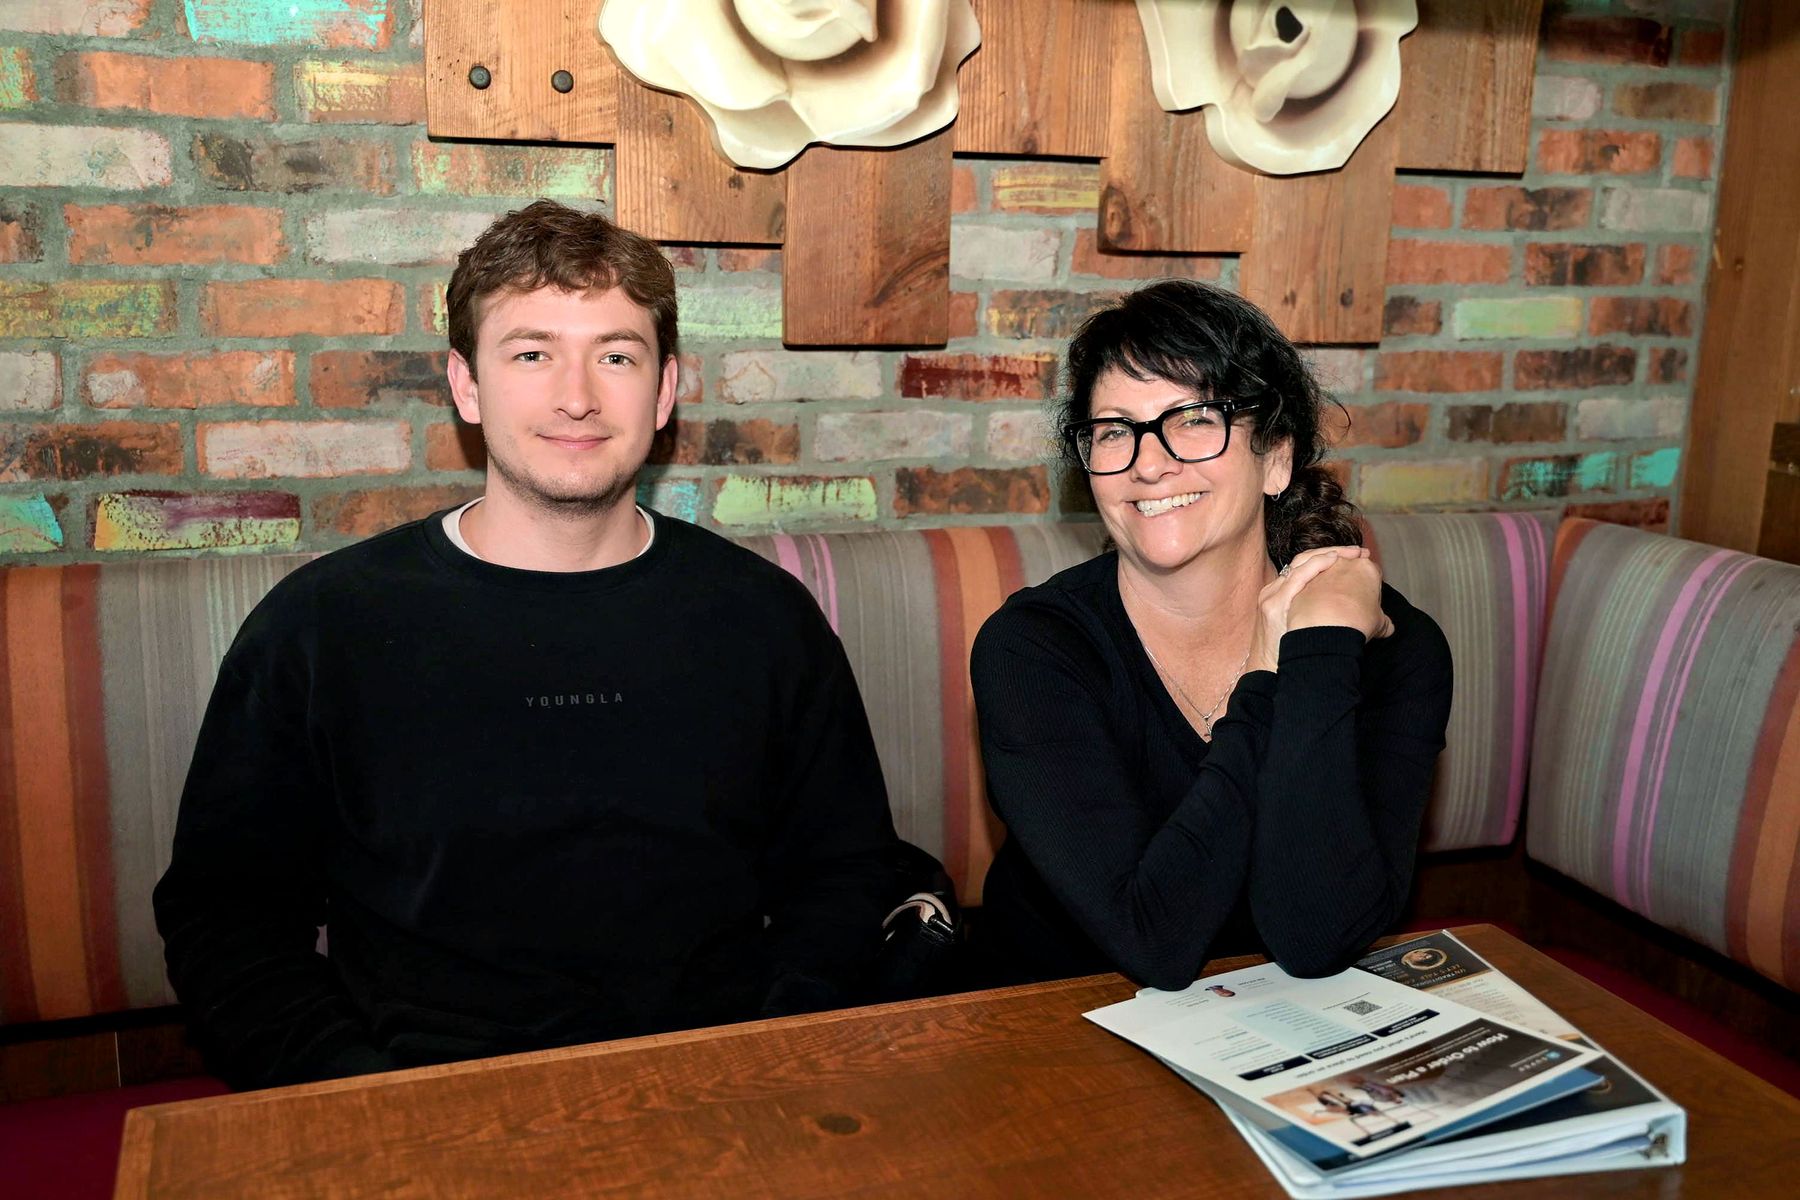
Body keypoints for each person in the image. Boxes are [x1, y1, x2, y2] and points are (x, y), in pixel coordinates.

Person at [154, 200, 903, 1090]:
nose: (576, 397)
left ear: (665, 390)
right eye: (532, 354)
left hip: (721, 1090)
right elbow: (225, 917)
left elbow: (845, 876)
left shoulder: (763, 617)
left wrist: (773, 1055)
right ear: (466, 385)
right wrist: (359, 1095)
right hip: (423, 1099)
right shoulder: (323, 625)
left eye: (616, 356)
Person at [970, 280, 1453, 991]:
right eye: (1115, 430)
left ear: (1276, 458)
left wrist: (1318, 651)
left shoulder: (1390, 650)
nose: (1149, 462)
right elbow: (1155, 942)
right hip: (1057, 1016)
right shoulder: (1035, 651)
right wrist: (1263, 674)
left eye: (1195, 418)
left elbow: (1316, 937)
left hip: (1287, 1019)